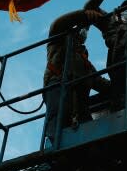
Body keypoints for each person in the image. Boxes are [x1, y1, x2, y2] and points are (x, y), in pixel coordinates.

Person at [42, 8, 110, 145]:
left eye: (87, 29)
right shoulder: (58, 41)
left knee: (91, 137)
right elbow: (58, 23)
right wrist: (83, 15)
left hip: (80, 102)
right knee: (57, 127)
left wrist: (126, 82)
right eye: (83, 27)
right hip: (59, 88)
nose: (85, 31)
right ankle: (56, 151)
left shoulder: (85, 61)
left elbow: (100, 82)